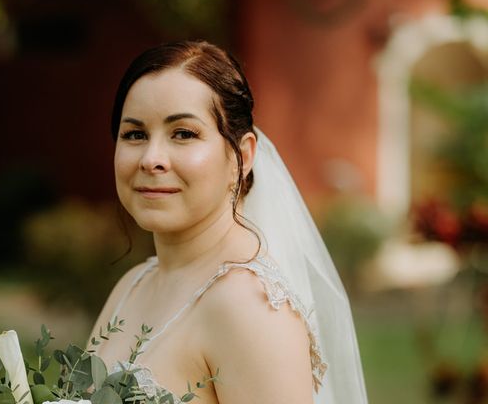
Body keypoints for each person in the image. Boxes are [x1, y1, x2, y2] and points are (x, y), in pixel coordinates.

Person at [89, 40, 368, 403]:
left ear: (242, 155)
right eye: (135, 134)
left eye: (184, 134)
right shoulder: (132, 286)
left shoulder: (249, 307)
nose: (151, 159)